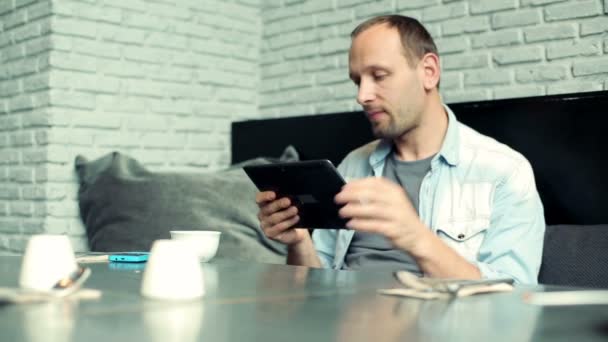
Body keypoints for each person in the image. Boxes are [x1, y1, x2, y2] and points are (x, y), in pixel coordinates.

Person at [255, 15, 545, 284]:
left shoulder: (503, 171)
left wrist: (417, 239)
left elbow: (515, 298)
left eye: (378, 76)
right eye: (357, 81)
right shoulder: (353, 166)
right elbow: (315, 289)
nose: (362, 96)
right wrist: (299, 242)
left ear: (428, 72)